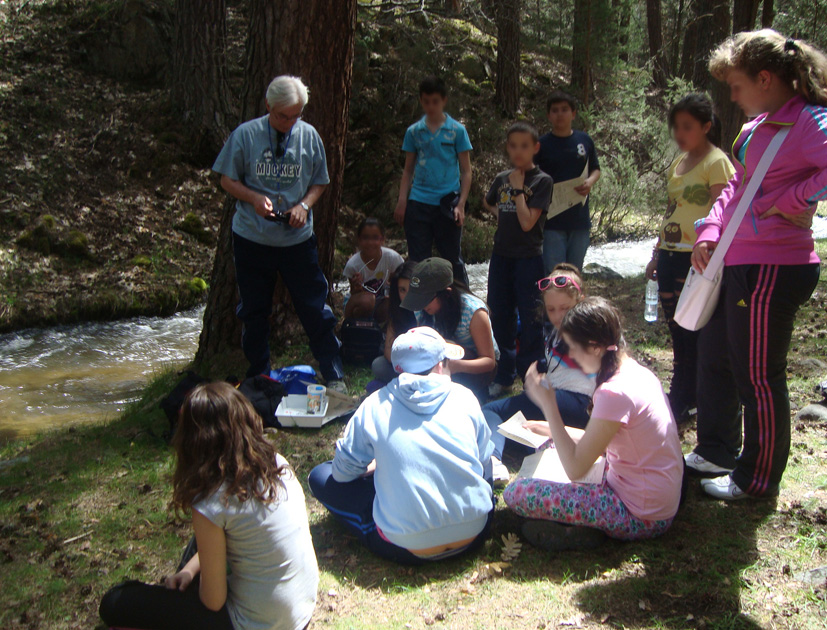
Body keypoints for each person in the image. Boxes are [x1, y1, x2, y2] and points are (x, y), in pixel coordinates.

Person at [685, 30, 823, 500]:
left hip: (774, 267)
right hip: (735, 261)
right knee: (717, 357)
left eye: (738, 85)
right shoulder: (755, 126)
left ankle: (756, 479)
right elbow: (735, 189)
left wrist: (794, 198)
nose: (732, 95)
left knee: (758, 374)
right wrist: (709, 230)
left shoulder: (809, 121)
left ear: (765, 78)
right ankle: (718, 449)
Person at [99, 382, 319, 630]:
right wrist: (190, 571)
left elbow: (213, 602)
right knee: (201, 546)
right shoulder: (276, 462)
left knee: (115, 601)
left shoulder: (213, 500)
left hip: (255, 623)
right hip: (299, 611)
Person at [504, 298, 683, 551]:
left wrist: (549, 406)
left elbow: (576, 469)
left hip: (639, 513)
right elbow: (600, 439)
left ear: (596, 347)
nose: (572, 356)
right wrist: (551, 429)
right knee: (549, 444)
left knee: (517, 492)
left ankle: (584, 531)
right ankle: (581, 528)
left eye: (574, 348)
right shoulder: (634, 372)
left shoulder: (614, 393)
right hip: (652, 497)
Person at [308, 327, 495, 565]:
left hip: (406, 546)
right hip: (475, 532)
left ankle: (392, 515)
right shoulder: (465, 396)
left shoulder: (374, 404)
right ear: (440, 365)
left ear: (397, 369)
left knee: (320, 475)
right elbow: (483, 460)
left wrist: (370, 468)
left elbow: (341, 475)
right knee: (484, 459)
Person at [212, 75, 346, 394]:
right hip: (252, 239)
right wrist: (254, 198)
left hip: (297, 242)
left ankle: (333, 371)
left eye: (295, 115)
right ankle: (260, 378)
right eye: (282, 115)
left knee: (314, 307)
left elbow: (320, 182)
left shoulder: (309, 136)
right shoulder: (245, 135)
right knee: (254, 312)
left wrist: (304, 205)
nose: (288, 122)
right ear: (268, 106)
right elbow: (226, 180)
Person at [644, 94, 735, 422]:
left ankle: (690, 395)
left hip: (697, 258)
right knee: (676, 328)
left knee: (693, 328)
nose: (679, 134)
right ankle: (682, 392)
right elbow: (672, 210)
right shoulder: (677, 164)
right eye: (676, 127)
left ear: (706, 126)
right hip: (670, 254)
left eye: (687, 126)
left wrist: (711, 250)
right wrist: (656, 253)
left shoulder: (717, 162)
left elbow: (723, 211)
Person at [482, 264, 594, 485]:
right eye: (551, 309)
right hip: (573, 405)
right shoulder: (556, 331)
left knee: (491, 410)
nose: (558, 315)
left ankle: (493, 460)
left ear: (580, 301)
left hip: (574, 402)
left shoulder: (585, 328)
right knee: (520, 425)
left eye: (565, 308)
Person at [484, 121, 553, 398]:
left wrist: (518, 189)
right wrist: (499, 211)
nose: (518, 151)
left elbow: (527, 223)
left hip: (528, 259)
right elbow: (488, 200)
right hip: (501, 257)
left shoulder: (541, 181)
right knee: (500, 314)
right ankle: (504, 374)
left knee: (531, 319)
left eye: (524, 146)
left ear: (535, 148)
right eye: (513, 146)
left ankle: (531, 379)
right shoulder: (502, 178)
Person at [394, 76, 472, 286]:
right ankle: (420, 310)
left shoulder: (457, 131)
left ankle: (465, 305)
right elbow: (408, 170)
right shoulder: (414, 132)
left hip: (447, 202)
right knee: (418, 261)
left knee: (452, 259)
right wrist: (402, 200)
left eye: (435, 101)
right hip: (419, 202)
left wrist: (461, 204)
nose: (430, 106)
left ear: (444, 100)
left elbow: (466, 171)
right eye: (426, 101)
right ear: (421, 101)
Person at [401, 257, 498, 402]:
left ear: (446, 294)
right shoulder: (421, 309)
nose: (421, 306)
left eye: (425, 300)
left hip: (473, 368)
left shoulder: (474, 312)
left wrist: (456, 366)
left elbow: (489, 361)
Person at [537, 90, 602, 274]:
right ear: (549, 115)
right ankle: (554, 304)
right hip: (552, 221)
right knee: (554, 273)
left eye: (564, 110)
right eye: (555, 110)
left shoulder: (584, 140)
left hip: (579, 220)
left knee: (575, 273)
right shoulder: (541, 145)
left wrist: (589, 182)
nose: (560, 114)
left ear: (573, 114)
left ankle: (574, 304)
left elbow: (595, 169)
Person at [342, 218, 404, 322]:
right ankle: (357, 330)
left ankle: (380, 331)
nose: (370, 243)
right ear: (359, 240)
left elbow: (403, 282)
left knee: (393, 302)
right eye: (365, 238)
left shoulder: (392, 258)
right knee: (368, 300)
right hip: (358, 304)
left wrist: (394, 283)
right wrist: (357, 287)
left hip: (382, 302)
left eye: (375, 238)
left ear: (382, 240)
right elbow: (353, 293)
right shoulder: (353, 265)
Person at [370, 259, 419, 385]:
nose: (407, 295)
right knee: (379, 365)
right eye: (402, 290)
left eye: (412, 289)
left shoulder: (429, 308)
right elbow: (388, 351)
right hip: (402, 364)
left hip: (426, 364)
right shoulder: (397, 309)